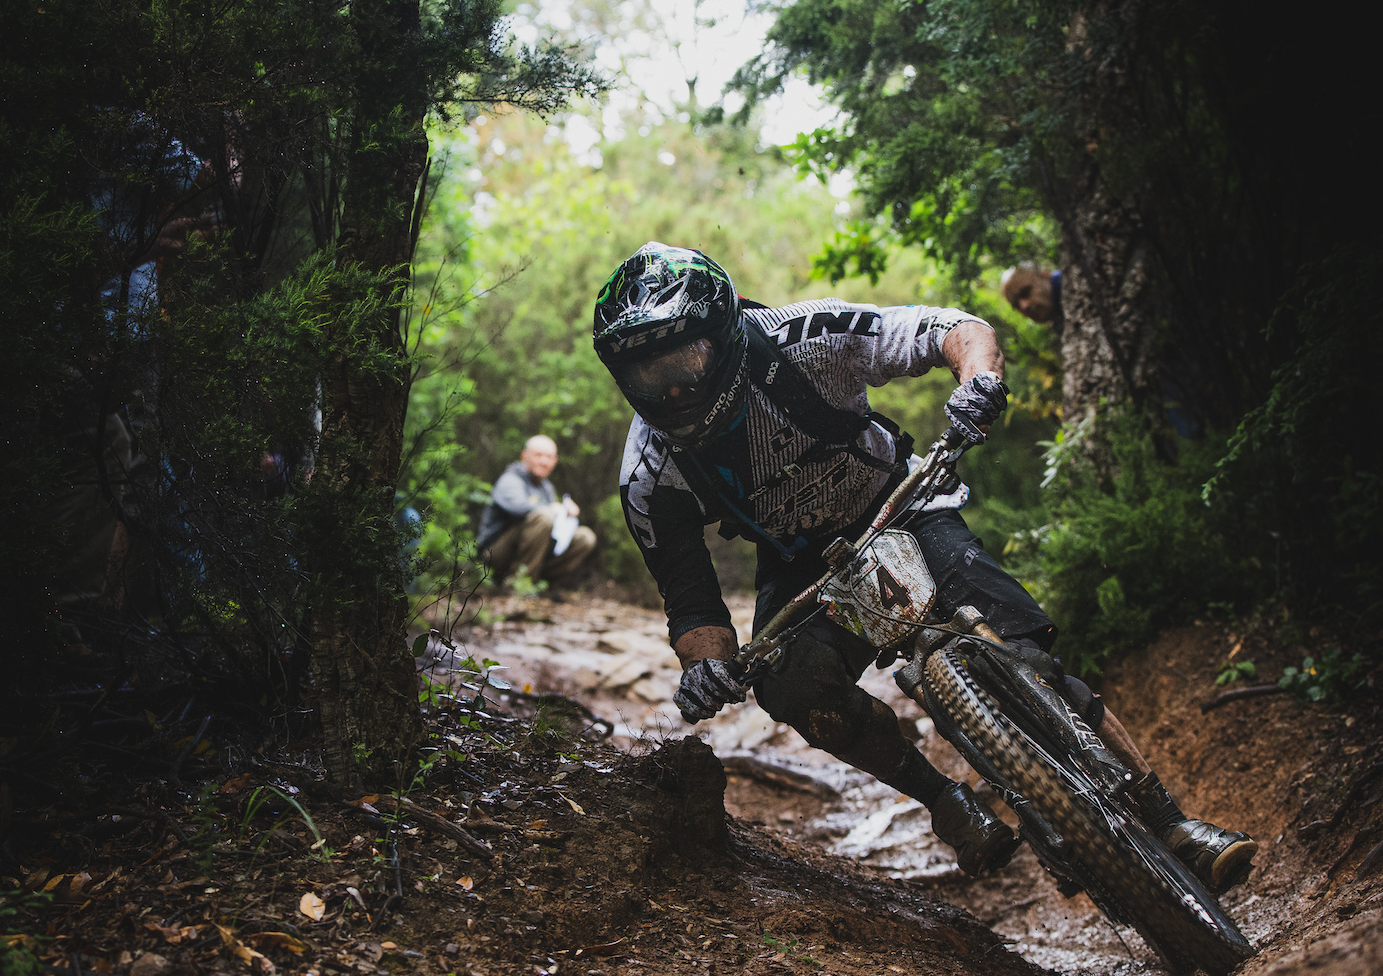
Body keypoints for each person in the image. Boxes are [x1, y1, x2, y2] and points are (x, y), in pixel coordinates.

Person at [592, 242, 1256, 891]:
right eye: (647, 375)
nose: (671, 387)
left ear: (722, 333)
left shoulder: (804, 336)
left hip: (905, 504)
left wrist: (980, 384)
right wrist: (705, 668)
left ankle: (1170, 822)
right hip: (805, 565)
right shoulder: (650, 478)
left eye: (683, 359)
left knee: (1026, 659)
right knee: (792, 687)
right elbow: (694, 604)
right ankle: (942, 801)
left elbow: (952, 329)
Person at [477, 435, 598, 587]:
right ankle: (518, 585)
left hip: (531, 554)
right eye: (538, 455)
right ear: (524, 456)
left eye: (549, 457)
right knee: (544, 517)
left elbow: (554, 525)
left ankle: (541, 583)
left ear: (555, 461)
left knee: (585, 537)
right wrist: (553, 509)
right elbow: (519, 507)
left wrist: (566, 514)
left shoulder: (546, 488)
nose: (544, 462)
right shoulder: (510, 479)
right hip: (495, 554)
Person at [999, 262, 1062, 331]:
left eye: (1025, 292)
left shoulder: (1067, 282)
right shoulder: (1058, 324)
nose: (1024, 306)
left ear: (1045, 275)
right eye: (1016, 305)